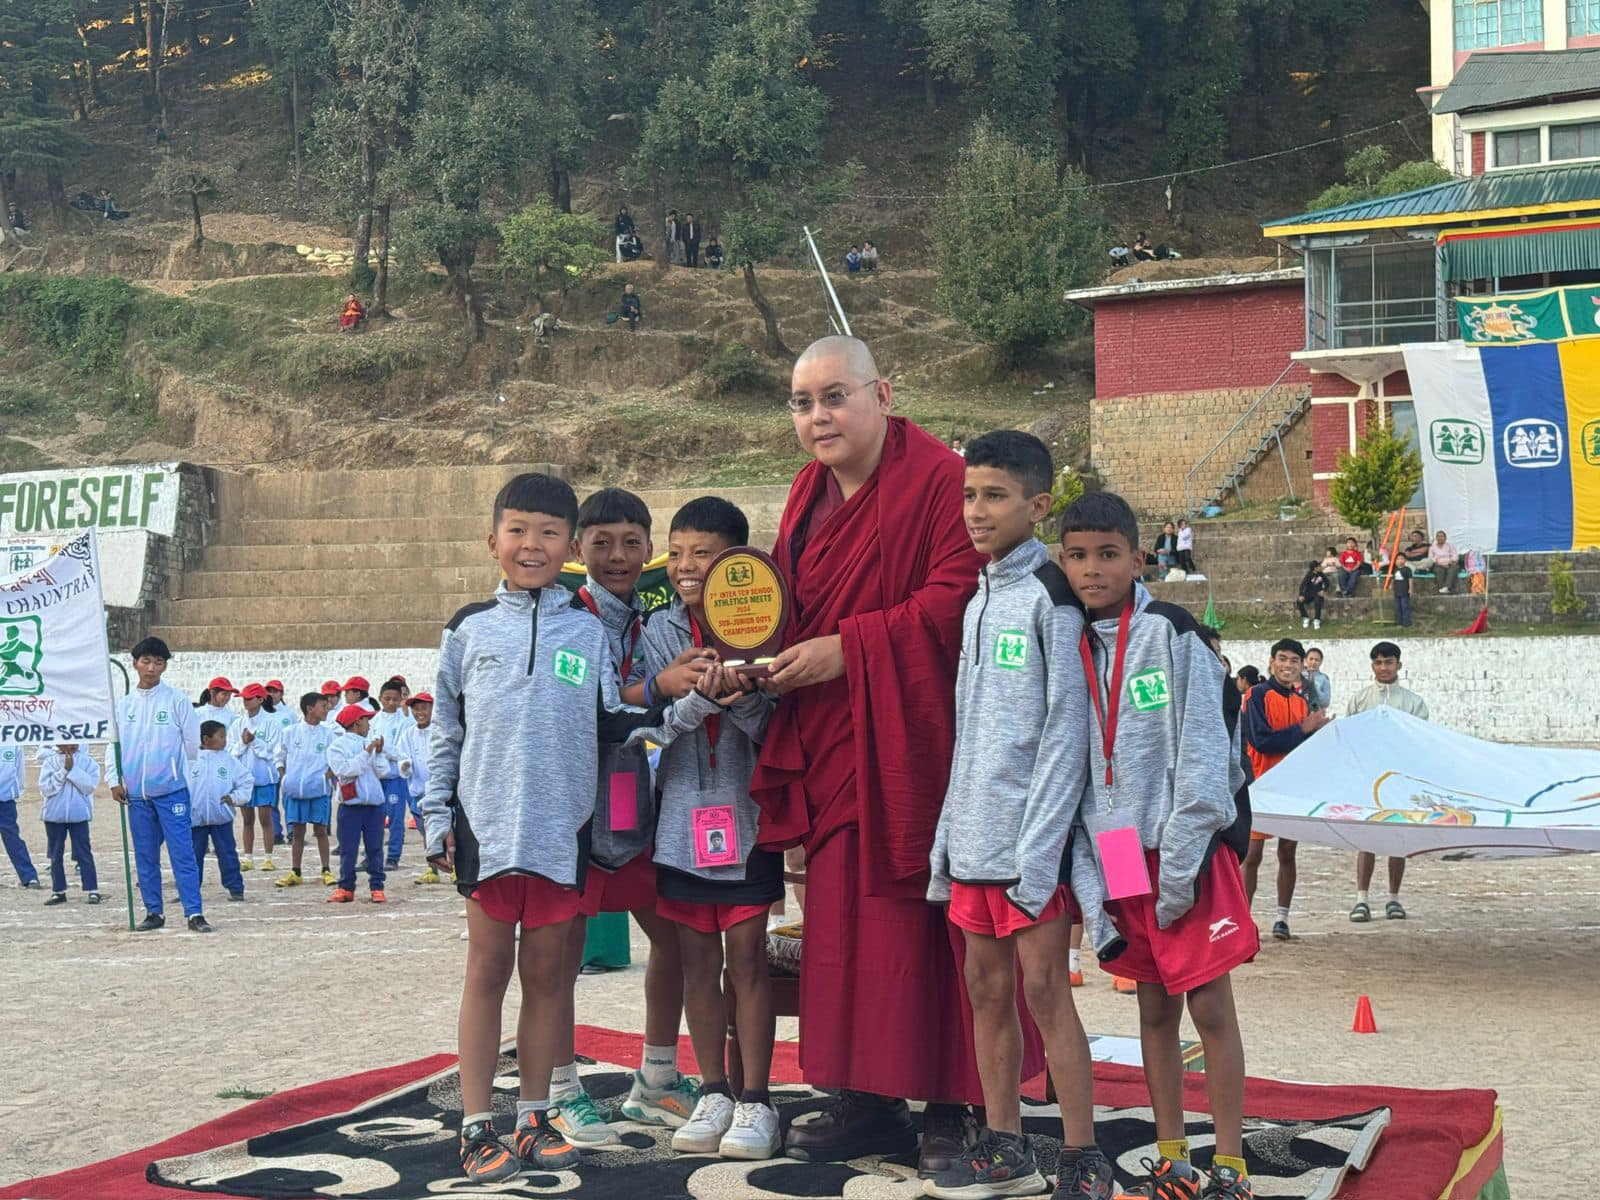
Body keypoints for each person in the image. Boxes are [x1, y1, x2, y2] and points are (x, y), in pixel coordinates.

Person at [751, 336, 1027, 1174]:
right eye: (802, 402)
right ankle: (867, 1098)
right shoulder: (806, 490)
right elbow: (787, 598)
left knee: (930, 921)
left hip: (920, 736)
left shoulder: (942, 480)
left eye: (835, 396)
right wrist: (749, 653)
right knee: (843, 921)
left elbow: (957, 596)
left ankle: (953, 1104)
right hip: (835, 733)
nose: (818, 416)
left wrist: (850, 649)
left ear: (883, 393)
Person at [419, 472, 665, 1184]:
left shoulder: (586, 631)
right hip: (488, 832)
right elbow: (447, 731)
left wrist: (686, 700)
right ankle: (475, 1127)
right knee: (487, 974)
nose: (533, 545)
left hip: (563, 834)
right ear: (492, 540)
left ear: (571, 548)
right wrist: (436, 816)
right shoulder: (468, 629)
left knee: (549, 979)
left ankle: (534, 1117)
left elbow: (613, 721)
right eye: (518, 530)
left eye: (549, 533)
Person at [926, 432, 1116, 1200]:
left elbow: (1067, 736)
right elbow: (972, 732)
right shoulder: (980, 596)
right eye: (970, 495)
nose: (977, 511)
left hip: (1033, 848)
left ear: (1038, 506)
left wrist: (1039, 855)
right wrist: (948, 838)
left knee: (1045, 993)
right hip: (975, 839)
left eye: (995, 496)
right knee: (984, 988)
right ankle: (1005, 1143)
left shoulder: (1051, 595)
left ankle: (1082, 1156)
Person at [1059, 490, 1257, 1200]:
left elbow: (1207, 754)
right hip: (1118, 850)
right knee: (1152, 1009)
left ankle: (1230, 1165)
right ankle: (1172, 1154)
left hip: (1185, 847)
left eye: (1108, 555)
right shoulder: (1069, 641)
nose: (1092, 570)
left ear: (1138, 558)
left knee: (1210, 1008)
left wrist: (1183, 859)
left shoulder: (1174, 633)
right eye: (1077, 556)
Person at [642, 496, 785, 1161]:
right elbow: (653, 731)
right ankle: (714, 1091)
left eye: (703, 553)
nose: (686, 566)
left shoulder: (767, 624)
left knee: (748, 959)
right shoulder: (659, 630)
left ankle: (757, 1100)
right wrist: (698, 699)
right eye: (677, 552)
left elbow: (777, 731)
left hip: (749, 819)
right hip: (680, 823)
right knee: (698, 961)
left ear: (737, 561)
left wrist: (743, 697)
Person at [559, 487, 698, 1146]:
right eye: (602, 543)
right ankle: (560, 1090)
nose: (617, 556)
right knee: (557, 959)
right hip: (577, 815)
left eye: (631, 543)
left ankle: (657, 1079)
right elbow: (591, 710)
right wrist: (661, 689)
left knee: (674, 942)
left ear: (651, 551)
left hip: (635, 811)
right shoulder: (565, 620)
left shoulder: (652, 624)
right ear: (577, 548)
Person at [107, 637, 211, 933]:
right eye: (146, 661)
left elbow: (191, 745)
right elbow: (114, 745)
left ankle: (194, 912)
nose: (151, 668)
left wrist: (176, 774)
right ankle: (154, 911)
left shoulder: (177, 701)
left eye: (158, 662)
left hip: (171, 792)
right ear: (135, 663)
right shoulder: (123, 705)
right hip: (137, 796)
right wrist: (114, 779)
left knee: (182, 853)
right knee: (145, 855)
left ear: (165, 666)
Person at [1241, 638, 1330, 941]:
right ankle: (1243, 921)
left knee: (1288, 852)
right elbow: (1261, 741)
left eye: (1294, 660)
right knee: (1251, 856)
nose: (1288, 665)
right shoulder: (1256, 695)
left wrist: (1320, 734)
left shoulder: (1302, 702)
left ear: (1302, 666)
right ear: (1271, 662)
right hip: (1260, 786)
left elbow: (1302, 747)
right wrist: (1303, 729)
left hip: (1291, 789)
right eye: (1282, 658)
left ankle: (1282, 918)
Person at [1346, 643, 1428, 924]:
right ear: (1372, 666)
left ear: (1399, 665)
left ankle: (1393, 898)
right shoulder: (1359, 701)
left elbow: (1420, 742)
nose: (1384, 668)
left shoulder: (1414, 703)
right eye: (1378, 662)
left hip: (1400, 782)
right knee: (1366, 839)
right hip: (1367, 781)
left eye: (1389, 662)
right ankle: (1362, 899)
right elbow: (1351, 741)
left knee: (1397, 839)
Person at [326, 703, 387, 904]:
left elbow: (383, 771)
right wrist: (366, 753)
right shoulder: (336, 747)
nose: (369, 724)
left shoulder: (370, 743)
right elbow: (345, 770)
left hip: (374, 805)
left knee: (375, 848)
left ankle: (377, 886)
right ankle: (346, 887)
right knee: (348, 849)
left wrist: (378, 753)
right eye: (366, 719)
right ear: (357, 722)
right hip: (350, 806)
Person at [278, 691, 336, 888]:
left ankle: (326, 869)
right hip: (295, 790)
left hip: (318, 791)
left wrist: (324, 778)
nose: (327, 709)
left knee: (320, 830)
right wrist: (285, 778)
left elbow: (334, 759)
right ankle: (296, 871)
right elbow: (280, 756)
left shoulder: (328, 734)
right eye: (323, 706)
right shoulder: (290, 732)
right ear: (310, 709)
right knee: (298, 831)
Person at [190, 720, 251, 902]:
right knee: (192, 856)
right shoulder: (191, 759)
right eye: (221, 736)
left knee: (227, 853)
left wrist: (235, 797)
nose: (225, 740)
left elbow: (246, 781)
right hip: (195, 819)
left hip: (222, 818)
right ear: (206, 739)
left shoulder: (229, 760)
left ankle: (236, 888)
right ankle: (190, 889)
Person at [229, 683, 283, 872]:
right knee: (247, 819)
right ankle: (248, 857)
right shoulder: (237, 724)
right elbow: (231, 751)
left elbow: (273, 751)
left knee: (265, 818)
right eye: (244, 698)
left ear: (260, 699)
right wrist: (243, 743)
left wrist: (254, 741)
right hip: (244, 778)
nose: (245, 701)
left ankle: (268, 858)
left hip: (265, 777)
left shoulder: (272, 723)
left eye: (249, 698)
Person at [38, 744, 100, 905]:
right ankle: (58, 891)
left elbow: (89, 787)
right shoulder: (50, 762)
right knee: (55, 854)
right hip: (54, 815)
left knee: (84, 852)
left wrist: (73, 770)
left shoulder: (88, 762)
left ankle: (92, 889)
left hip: (79, 816)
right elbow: (46, 789)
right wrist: (63, 771)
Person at [369, 679, 413, 869]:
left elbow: (402, 752)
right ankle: (371, 855)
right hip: (375, 777)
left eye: (395, 699)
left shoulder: (405, 723)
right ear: (380, 698)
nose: (391, 703)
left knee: (395, 818)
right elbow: (368, 746)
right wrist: (377, 750)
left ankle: (393, 856)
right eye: (387, 698)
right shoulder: (372, 721)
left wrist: (384, 748)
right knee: (373, 819)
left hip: (395, 777)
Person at [400, 692, 437, 879]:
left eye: (424, 708)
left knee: (445, 830)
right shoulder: (408, 735)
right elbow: (403, 757)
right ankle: (432, 869)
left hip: (439, 791)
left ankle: (455, 867)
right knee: (425, 831)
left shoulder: (440, 731)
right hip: (418, 791)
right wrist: (405, 766)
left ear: (432, 709)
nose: (419, 712)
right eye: (415, 709)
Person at [0, 744, 40, 889]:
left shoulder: (12, 742)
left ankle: (29, 876)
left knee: (12, 838)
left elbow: (19, 769)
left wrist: (15, 792)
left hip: (5, 799)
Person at [1296, 561, 1327, 630]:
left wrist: (1323, 590)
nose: (1320, 567)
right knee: (1299, 601)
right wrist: (1301, 595)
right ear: (1315, 568)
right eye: (1319, 566)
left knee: (1318, 602)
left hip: (1318, 594)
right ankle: (1305, 617)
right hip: (1309, 594)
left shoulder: (1321, 574)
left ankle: (1317, 620)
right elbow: (1302, 585)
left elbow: (1327, 582)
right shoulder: (1309, 575)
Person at [1301, 647, 1331, 713]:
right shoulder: (1298, 676)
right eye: (1311, 659)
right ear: (1305, 660)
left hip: (1315, 714)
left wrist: (1313, 685)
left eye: (1317, 660)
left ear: (1321, 662)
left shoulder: (1324, 679)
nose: (1313, 662)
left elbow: (1325, 703)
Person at [1392, 554, 1414, 627]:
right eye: (1398, 559)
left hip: (1405, 592)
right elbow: (1393, 579)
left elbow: (1410, 579)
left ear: (1405, 560)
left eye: (1402, 559)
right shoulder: (1395, 570)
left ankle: (1406, 623)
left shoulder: (1407, 569)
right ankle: (1399, 622)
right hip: (1396, 592)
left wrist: (1410, 589)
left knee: (1405, 607)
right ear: (1395, 561)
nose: (1400, 560)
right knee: (1398, 607)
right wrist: (1391, 586)